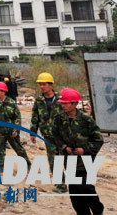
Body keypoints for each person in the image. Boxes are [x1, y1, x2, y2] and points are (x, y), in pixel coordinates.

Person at [52, 87, 104, 215]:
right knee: (75, 192)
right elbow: (55, 136)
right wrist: (64, 147)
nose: (63, 105)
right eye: (62, 103)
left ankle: (98, 211)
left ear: (75, 104)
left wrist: (84, 150)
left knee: (86, 187)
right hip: (69, 160)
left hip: (85, 161)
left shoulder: (86, 120)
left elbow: (98, 139)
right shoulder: (59, 119)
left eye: (66, 103)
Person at [29, 72, 65, 192]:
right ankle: (61, 185)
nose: (42, 87)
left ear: (51, 85)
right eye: (40, 84)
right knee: (53, 160)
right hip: (48, 135)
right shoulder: (39, 100)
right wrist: (33, 132)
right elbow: (35, 117)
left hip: (63, 135)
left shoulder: (61, 99)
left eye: (44, 84)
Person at [0, 81, 29, 172]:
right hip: (1, 131)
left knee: (18, 148)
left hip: (12, 131)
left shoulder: (11, 102)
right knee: (0, 148)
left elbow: (17, 117)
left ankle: (27, 165)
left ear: (4, 91)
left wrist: (16, 129)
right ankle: (1, 166)